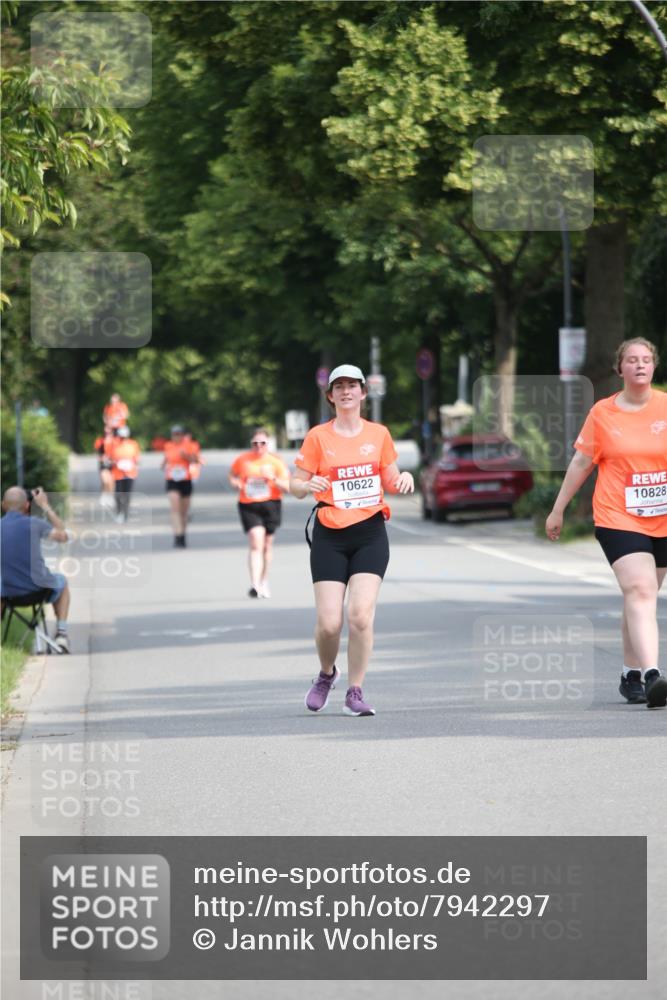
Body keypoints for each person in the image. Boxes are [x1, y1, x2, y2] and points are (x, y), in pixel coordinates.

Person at [546, 337, 667, 709]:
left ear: (654, 366)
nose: (640, 365)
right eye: (632, 360)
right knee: (641, 590)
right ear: (620, 369)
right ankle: (652, 676)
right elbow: (582, 463)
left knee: (640, 598)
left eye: (646, 359)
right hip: (618, 516)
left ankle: (629, 674)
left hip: (662, 516)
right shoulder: (603, 413)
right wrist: (558, 508)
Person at [290, 364, 414, 716]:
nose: (346, 391)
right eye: (339, 386)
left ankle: (355, 692)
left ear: (363, 393)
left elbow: (390, 477)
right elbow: (295, 484)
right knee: (330, 623)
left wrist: (403, 476)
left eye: (352, 386)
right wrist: (306, 485)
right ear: (330, 396)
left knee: (360, 615)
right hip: (330, 533)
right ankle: (327, 674)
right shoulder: (318, 437)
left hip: (370, 532)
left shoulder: (378, 434)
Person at [1, 486, 71, 653]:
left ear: (3, 505)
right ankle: (61, 634)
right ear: (27, 505)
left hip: (8, 593)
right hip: (39, 590)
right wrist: (45, 506)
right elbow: (64, 536)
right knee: (62, 581)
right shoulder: (35, 524)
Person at [229, 428, 289, 598]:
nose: (258, 447)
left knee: (267, 545)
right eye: (255, 443)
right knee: (256, 542)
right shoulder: (243, 460)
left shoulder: (276, 462)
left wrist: (272, 478)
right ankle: (254, 583)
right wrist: (235, 484)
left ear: (268, 445)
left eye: (262, 443)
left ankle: (264, 580)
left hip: (271, 504)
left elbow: (288, 487)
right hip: (249, 504)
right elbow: (232, 475)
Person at [162, 425, 201, 547]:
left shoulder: (191, 445)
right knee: (175, 508)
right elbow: (166, 460)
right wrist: (163, 465)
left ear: (183, 435)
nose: (176, 436)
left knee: (183, 511)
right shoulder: (168, 446)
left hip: (186, 480)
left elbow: (196, 461)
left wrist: (186, 456)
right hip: (172, 479)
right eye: (174, 434)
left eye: (179, 434)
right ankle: (177, 535)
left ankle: (183, 534)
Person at [109, 426, 141, 524]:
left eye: (124, 437)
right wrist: (114, 463)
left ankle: (125, 513)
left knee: (127, 495)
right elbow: (109, 459)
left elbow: (137, 458)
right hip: (118, 473)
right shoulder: (114, 445)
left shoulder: (133, 444)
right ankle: (119, 511)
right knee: (118, 494)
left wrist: (133, 464)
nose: (122, 439)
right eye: (121, 436)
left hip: (130, 473)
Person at [94, 425, 116, 509]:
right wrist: (102, 458)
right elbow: (97, 453)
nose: (107, 433)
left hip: (112, 464)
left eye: (109, 431)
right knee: (105, 480)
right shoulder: (100, 441)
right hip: (103, 464)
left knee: (111, 482)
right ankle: (104, 496)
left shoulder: (115, 441)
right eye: (106, 431)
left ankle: (110, 497)